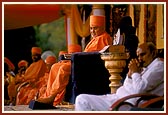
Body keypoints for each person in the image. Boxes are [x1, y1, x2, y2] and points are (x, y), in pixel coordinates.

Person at [36, 15, 112, 106]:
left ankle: (53, 96)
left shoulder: (105, 38)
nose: (92, 31)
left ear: (102, 27)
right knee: (55, 66)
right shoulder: (95, 38)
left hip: (87, 67)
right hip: (80, 62)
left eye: (95, 28)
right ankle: (48, 95)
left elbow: (96, 56)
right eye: (91, 28)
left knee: (63, 68)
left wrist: (75, 56)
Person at [75, 42, 164, 111]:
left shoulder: (159, 66)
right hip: (118, 98)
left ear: (153, 53)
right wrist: (130, 75)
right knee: (82, 98)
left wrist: (135, 73)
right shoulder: (146, 67)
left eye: (143, 54)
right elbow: (127, 85)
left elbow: (139, 89)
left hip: (127, 103)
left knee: (82, 101)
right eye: (138, 55)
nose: (139, 58)